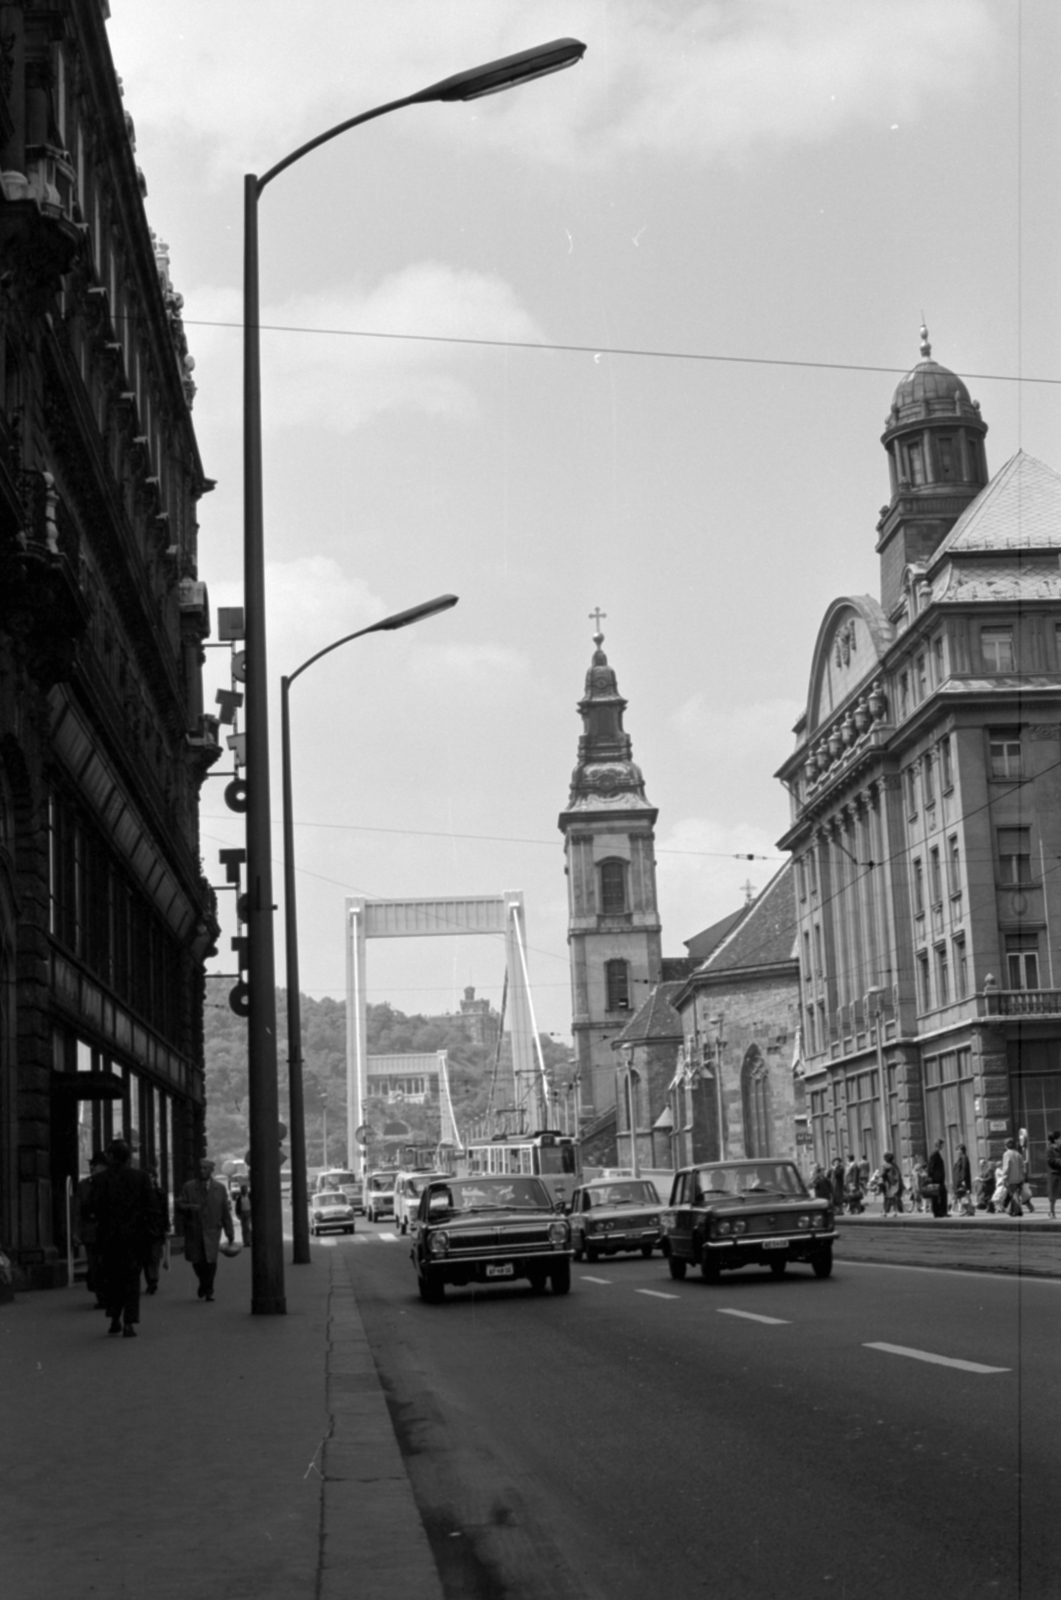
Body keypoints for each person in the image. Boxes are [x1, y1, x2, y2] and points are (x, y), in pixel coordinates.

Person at [92, 1139, 156, 1338]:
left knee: (112, 1278)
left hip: (109, 1237)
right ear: (129, 1157)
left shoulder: (101, 1179)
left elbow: (92, 1207)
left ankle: (114, 1319)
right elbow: (151, 1207)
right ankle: (129, 1322)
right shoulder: (141, 1178)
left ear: (111, 1156)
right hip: (135, 1237)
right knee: (131, 1279)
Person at [176, 1158, 234, 1301]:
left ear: (211, 1171)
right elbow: (179, 1205)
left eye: (205, 1169)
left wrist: (230, 1232)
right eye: (200, 1168)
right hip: (194, 1230)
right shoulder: (188, 1187)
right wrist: (188, 1207)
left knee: (211, 1261)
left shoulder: (220, 1188)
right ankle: (203, 1283)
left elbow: (225, 1212)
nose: (202, 1171)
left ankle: (209, 1290)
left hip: (212, 1230)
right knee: (197, 1261)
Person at [75, 1150, 110, 1308]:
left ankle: (108, 1295)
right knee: (94, 1265)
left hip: (109, 1231)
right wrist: (77, 1232)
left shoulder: (112, 1183)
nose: (92, 1167)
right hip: (91, 1231)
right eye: (91, 1165)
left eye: (95, 1165)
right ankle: (101, 1297)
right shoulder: (84, 1185)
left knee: (107, 1264)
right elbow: (78, 1210)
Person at [142, 1160, 170, 1295]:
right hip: (144, 1227)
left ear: (155, 1177)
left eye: (151, 1176)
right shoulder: (140, 1193)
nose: (149, 1178)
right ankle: (150, 1280)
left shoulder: (160, 1193)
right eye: (147, 1176)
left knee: (154, 1255)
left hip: (156, 1228)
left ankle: (153, 1280)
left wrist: (166, 1227)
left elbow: (165, 1211)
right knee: (146, 1256)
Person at [998, 1137, 1025, 1218]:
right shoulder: (1018, 1154)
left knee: (1013, 1194)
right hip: (1019, 1177)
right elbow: (1022, 1166)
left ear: (1006, 1145)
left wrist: (1004, 1178)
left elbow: (1006, 1167)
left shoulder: (1006, 1154)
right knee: (1014, 1193)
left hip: (1011, 1178)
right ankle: (1013, 1210)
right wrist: (1023, 1177)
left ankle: (1017, 1211)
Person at [925, 1139, 948, 1218]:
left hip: (939, 1179)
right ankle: (938, 1212)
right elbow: (930, 1167)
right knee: (937, 1195)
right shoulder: (934, 1154)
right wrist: (931, 1177)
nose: (942, 1146)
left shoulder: (937, 1153)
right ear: (938, 1145)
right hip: (936, 1179)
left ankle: (941, 1212)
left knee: (941, 1195)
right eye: (942, 1145)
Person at [880, 1152, 904, 1216]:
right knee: (894, 1198)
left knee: (886, 1198)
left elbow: (882, 1174)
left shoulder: (885, 1165)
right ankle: (895, 1211)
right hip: (896, 1183)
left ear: (885, 1159)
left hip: (888, 1184)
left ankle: (885, 1212)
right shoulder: (895, 1165)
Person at [952, 1143, 973, 1216]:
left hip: (962, 1180)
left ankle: (969, 1210)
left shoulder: (964, 1158)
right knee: (965, 1196)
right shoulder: (961, 1158)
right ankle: (969, 1211)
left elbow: (964, 1169)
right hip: (961, 1180)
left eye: (958, 1150)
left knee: (965, 1195)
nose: (957, 1152)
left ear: (962, 1150)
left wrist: (963, 1180)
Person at [1045, 1132, 1061, 1220]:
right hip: (1054, 1174)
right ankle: (1052, 1211)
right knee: (1053, 1196)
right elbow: (1050, 1160)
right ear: (1055, 1140)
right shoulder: (1049, 1149)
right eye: (1060, 1138)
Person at [235, 1182, 252, 1246]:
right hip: (242, 1214)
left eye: (245, 1189)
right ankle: (245, 1241)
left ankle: (248, 1241)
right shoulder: (239, 1198)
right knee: (244, 1228)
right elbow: (237, 1207)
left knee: (247, 1227)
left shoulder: (250, 1197)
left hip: (248, 1213)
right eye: (243, 1189)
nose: (244, 1191)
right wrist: (237, 1214)